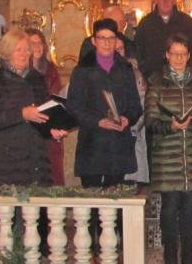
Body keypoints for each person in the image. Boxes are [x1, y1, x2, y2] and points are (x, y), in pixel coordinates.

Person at [145, 34, 192, 264]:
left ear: (189, 56)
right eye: (174, 54)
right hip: (167, 155)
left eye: (183, 54)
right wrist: (170, 126)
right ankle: (170, 255)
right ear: (167, 55)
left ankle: (189, 256)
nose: (178, 59)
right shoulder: (157, 83)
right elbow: (150, 121)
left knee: (189, 209)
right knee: (169, 208)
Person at [0, 28, 67, 185]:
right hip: (6, 165)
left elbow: (44, 115)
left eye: (27, 50)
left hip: (37, 163)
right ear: (7, 52)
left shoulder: (37, 79)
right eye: (18, 50)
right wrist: (21, 114)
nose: (24, 54)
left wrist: (52, 129)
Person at [67, 19, 143, 187]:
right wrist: (98, 121)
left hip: (118, 146)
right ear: (94, 40)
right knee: (92, 206)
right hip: (92, 145)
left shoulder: (125, 68)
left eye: (111, 38)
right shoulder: (82, 70)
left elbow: (135, 106)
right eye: (102, 38)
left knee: (114, 204)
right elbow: (74, 106)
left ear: (117, 40)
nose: (107, 43)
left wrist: (126, 118)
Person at [135, 0, 192, 79]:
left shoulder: (187, 23)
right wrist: (147, 73)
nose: (165, 1)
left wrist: (188, 72)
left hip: (182, 78)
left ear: (174, 0)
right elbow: (138, 51)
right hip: (152, 80)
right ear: (155, 0)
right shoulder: (145, 24)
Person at [26, 28, 65, 185]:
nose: (37, 46)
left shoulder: (50, 70)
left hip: (49, 128)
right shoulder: (21, 71)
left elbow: (57, 96)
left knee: (51, 175)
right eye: (32, 43)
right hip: (28, 128)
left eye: (39, 42)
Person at [115, 36, 149, 184]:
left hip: (131, 140)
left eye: (120, 49)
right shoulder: (94, 72)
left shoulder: (135, 74)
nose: (117, 52)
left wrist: (130, 126)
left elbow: (143, 105)